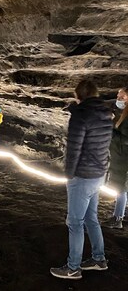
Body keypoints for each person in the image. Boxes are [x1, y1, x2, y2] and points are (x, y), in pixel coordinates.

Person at [50, 80, 113, 280]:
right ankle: (98, 259)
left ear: (79, 95)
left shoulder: (81, 116)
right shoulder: (106, 114)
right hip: (98, 174)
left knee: (75, 222)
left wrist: (69, 174)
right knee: (91, 218)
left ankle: (73, 268)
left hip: (83, 176)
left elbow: (74, 148)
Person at [103, 87, 128, 229]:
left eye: (122, 97)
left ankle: (117, 218)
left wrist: (112, 132)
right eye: (118, 96)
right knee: (124, 187)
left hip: (124, 157)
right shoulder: (123, 113)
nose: (118, 99)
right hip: (121, 156)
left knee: (120, 188)